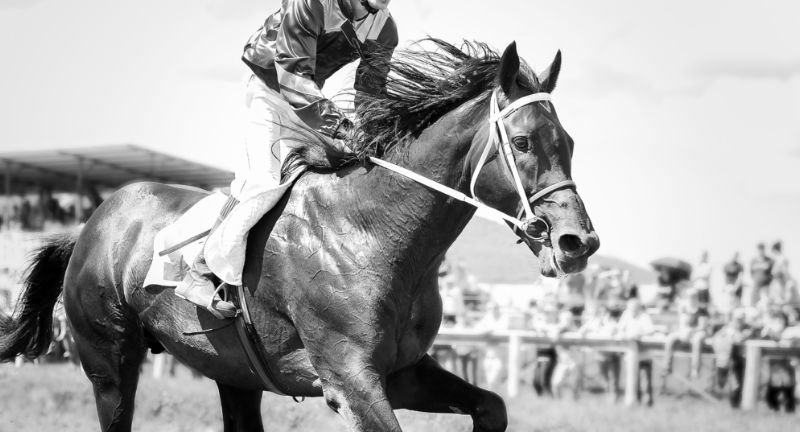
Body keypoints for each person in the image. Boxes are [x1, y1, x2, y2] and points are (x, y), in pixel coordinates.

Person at [176, 0, 399, 318]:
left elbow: (371, 90)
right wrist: (344, 129)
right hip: (269, 92)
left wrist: (378, 134)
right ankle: (200, 272)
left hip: (310, 102)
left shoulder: (384, 27)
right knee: (262, 181)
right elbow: (292, 77)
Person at [660, 288, 710, 391]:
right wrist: (683, 331)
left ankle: (695, 370)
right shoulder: (683, 308)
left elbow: (702, 326)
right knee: (669, 339)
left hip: (697, 332)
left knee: (696, 341)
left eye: (693, 296)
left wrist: (690, 331)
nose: (691, 298)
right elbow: (681, 324)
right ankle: (666, 366)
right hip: (686, 332)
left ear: (696, 298)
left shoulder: (702, 310)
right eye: (689, 296)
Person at [748, 243, 774, 307]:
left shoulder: (770, 260)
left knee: (766, 303)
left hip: (766, 286)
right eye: (759, 249)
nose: (761, 251)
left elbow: (773, 273)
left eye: (762, 249)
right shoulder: (753, 261)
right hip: (756, 285)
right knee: (754, 303)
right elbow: (751, 273)